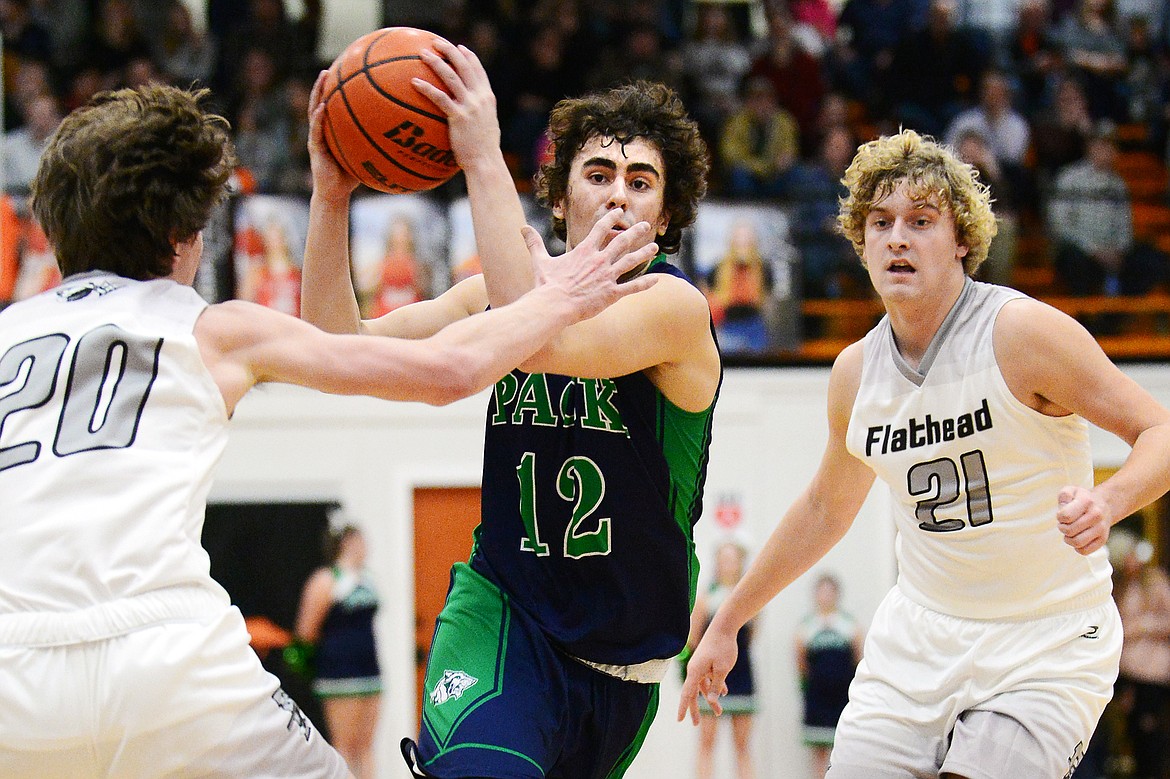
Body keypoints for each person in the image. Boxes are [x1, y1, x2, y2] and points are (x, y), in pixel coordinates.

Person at [0, 82, 658, 777]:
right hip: (165, 662)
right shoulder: (208, 327)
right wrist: (561, 296)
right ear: (183, 236)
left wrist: (331, 198)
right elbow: (447, 369)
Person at [679, 127, 1170, 778]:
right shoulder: (856, 375)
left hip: (1044, 638)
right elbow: (826, 508)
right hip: (920, 640)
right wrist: (727, 620)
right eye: (879, 222)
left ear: (962, 236)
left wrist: (1110, 499)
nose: (897, 238)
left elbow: (1159, 431)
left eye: (920, 219)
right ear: (860, 242)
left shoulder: (1023, 333)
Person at [299, 40, 722, 779]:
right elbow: (335, 349)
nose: (619, 194)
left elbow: (541, 339)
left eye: (641, 180)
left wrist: (482, 155)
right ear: (558, 198)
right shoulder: (492, 295)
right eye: (598, 174)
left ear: (666, 213)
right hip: (503, 616)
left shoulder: (673, 307)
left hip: (620, 665)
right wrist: (332, 196)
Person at [293, 524, 382, 779]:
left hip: (369, 669)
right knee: (345, 744)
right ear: (345, 543)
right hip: (340, 673)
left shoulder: (367, 578)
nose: (364, 546)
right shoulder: (326, 579)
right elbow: (306, 630)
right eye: (359, 540)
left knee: (366, 746)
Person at [685, 541, 758, 779]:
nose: (728, 564)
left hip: (742, 673)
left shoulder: (751, 597)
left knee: (743, 746)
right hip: (711, 677)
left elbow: (752, 635)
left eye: (733, 558)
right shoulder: (707, 597)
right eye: (723, 559)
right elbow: (693, 640)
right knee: (707, 744)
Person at [1111, 529, 1170, 779]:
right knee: (1132, 735)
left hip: (1152, 673)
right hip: (1127, 673)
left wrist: (1139, 627)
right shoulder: (1120, 584)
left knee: (1150, 736)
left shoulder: (1155, 581)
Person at [794, 573, 863, 779]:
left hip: (842, 696)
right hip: (818, 695)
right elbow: (801, 661)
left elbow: (857, 657)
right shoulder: (806, 626)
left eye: (829, 591)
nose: (825, 596)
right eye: (821, 591)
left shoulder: (849, 624)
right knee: (819, 751)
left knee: (842, 750)